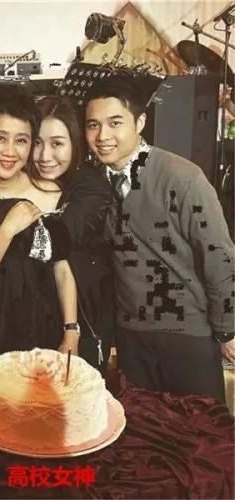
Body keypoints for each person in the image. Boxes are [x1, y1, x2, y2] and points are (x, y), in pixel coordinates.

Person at [83, 75, 234, 400]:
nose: (102, 136)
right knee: (144, 427)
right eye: (93, 125)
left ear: (140, 122)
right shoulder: (93, 184)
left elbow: (219, 255)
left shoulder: (182, 177)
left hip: (187, 334)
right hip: (131, 336)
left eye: (115, 123)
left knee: (200, 427)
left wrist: (228, 329)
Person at [0, 96, 115, 373]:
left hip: (41, 321)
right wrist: (7, 229)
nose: (10, 151)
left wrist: (71, 329)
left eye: (22, 141)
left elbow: (61, 264)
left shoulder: (51, 190)